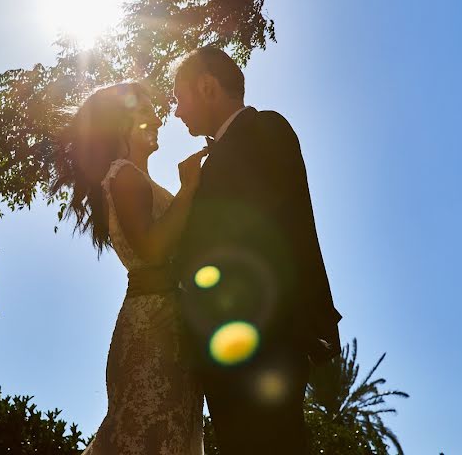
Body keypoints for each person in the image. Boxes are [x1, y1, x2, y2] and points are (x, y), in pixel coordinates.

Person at [172, 46, 342, 455]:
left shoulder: (266, 130)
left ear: (208, 87)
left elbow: (282, 230)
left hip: (268, 340)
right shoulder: (211, 162)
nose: (177, 113)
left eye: (180, 99)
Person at [52, 82, 206, 455]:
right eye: (146, 111)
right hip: (152, 328)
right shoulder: (124, 175)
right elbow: (152, 250)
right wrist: (189, 190)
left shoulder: (140, 179)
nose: (158, 119)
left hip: (168, 322)